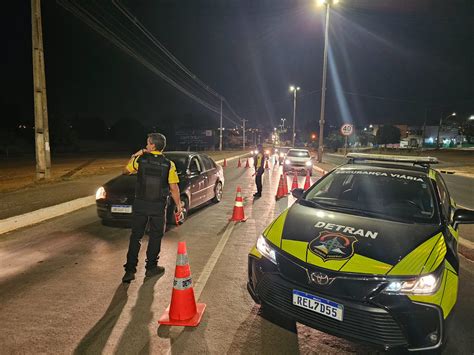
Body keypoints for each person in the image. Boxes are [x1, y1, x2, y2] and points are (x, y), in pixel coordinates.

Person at [122, 133, 182, 283]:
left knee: (136, 237)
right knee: (155, 237)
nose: (146, 146)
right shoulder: (169, 164)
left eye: (148, 143)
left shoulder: (140, 160)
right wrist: (179, 205)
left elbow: (125, 171)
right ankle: (151, 268)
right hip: (158, 206)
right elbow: (174, 188)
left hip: (141, 204)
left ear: (153, 146)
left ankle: (130, 271)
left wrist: (137, 154)